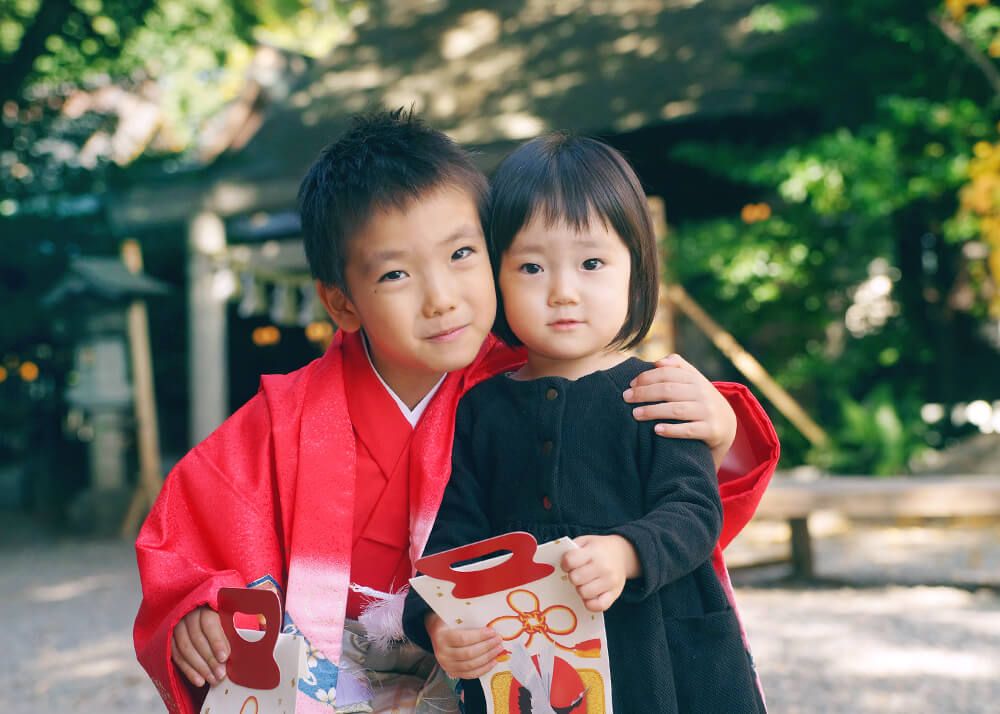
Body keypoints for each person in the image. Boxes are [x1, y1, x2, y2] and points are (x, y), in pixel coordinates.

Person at [134, 110, 778, 714]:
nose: (441, 299)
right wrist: (199, 604)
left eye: (461, 254)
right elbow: (194, 531)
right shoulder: (287, 418)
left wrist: (719, 432)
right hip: (340, 674)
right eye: (394, 275)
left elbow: (675, 502)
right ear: (341, 302)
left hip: (513, 667)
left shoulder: (529, 377)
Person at [403, 134, 773, 713]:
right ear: (495, 278)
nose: (563, 292)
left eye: (592, 263)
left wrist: (625, 552)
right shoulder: (482, 408)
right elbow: (456, 533)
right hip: (530, 655)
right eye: (530, 266)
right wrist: (436, 620)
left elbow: (695, 511)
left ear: (636, 269)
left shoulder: (655, 391)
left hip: (658, 650)